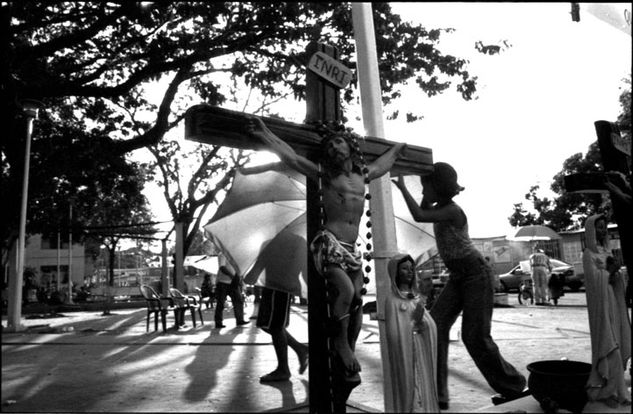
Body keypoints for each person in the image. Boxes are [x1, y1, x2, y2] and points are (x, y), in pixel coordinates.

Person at [247, 117, 407, 400]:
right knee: (344, 290)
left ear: (350, 147)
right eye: (329, 144)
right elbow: (291, 157)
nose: (333, 147)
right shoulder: (325, 176)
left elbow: (383, 165)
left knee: (356, 299)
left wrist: (397, 150)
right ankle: (340, 344)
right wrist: (265, 134)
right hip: (329, 242)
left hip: (351, 247)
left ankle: (349, 347)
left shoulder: (362, 176)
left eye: (338, 141)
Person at [392, 162, 527, 409]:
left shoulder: (452, 210)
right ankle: (438, 392)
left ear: (440, 189)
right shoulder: (439, 205)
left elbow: (420, 215)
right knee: (434, 326)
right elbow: (424, 206)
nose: (423, 194)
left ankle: (514, 384)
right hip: (458, 276)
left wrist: (402, 187)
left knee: (474, 336)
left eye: (427, 189)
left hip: (476, 274)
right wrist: (424, 185)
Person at [582, 214, 631, 408]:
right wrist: (608, 272)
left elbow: (614, 279)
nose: (603, 230)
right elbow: (593, 283)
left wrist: (616, 273)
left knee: (617, 342)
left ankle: (617, 391)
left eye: (604, 227)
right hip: (600, 308)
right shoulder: (588, 254)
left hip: (613, 302)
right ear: (591, 231)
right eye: (599, 227)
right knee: (611, 350)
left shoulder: (606, 251)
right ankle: (604, 390)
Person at [384, 253, 439, 412]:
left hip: (421, 352)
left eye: (411, 268)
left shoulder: (415, 298)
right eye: (404, 269)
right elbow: (396, 334)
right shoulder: (393, 301)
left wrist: (422, 322)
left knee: (424, 386)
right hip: (406, 355)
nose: (409, 272)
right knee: (411, 390)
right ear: (395, 272)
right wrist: (413, 326)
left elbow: (425, 324)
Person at [257, 286, 309, 382]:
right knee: (265, 323)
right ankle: (300, 349)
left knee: (275, 325)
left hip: (279, 284)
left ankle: (283, 369)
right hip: (272, 283)